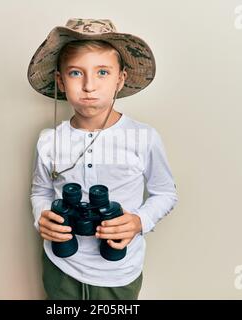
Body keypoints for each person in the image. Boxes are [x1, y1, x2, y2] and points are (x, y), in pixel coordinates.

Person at [28, 18, 178, 300]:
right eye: (75, 73)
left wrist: (138, 221)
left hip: (119, 272)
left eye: (102, 72)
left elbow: (166, 193)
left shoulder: (143, 137)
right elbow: (41, 191)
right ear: (60, 80)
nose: (89, 86)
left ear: (120, 79)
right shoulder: (48, 140)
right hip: (60, 267)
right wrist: (42, 217)